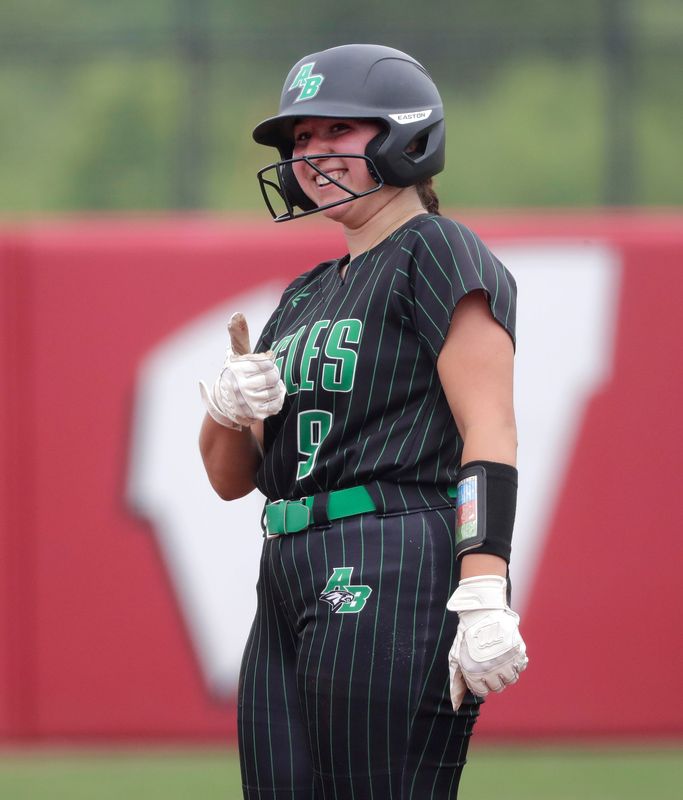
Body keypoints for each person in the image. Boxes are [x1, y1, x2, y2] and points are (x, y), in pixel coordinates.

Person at [199, 43, 528, 800]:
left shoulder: (434, 249)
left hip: (390, 552)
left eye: (335, 132)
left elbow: (490, 429)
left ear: (403, 136)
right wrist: (224, 409)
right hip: (286, 565)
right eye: (300, 140)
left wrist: (484, 588)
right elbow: (228, 480)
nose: (310, 154)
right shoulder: (306, 293)